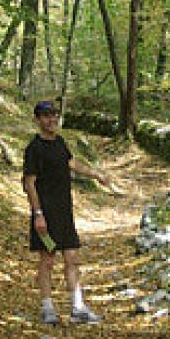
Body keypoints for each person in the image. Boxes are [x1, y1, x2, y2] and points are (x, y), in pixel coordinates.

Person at [22, 100, 113, 325]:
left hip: (64, 212)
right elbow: (29, 183)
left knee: (72, 258)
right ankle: (47, 308)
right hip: (46, 212)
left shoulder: (60, 143)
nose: (51, 120)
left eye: (54, 115)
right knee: (48, 259)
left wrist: (96, 174)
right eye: (45, 116)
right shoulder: (34, 148)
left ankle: (78, 308)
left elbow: (72, 164)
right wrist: (38, 214)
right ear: (37, 119)